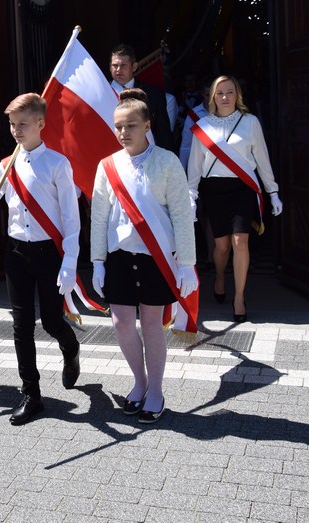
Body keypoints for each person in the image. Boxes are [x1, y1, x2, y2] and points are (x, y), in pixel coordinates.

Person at [0, 93, 81, 426]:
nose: (16, 130)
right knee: (21, 326)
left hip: (48, 253)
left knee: (50, 320)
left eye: (22, 124)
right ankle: (31, 393)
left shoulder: (58, 164)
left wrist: (71, 261)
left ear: (40, 124)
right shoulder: (6, 166)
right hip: (16, 252)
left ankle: (70, 345)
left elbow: (71, 217)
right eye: (12, 124)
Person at [90, 89, 197, 423]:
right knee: (122, 324)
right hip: (120, 256)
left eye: (131, 125)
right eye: (119, 127)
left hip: (156, 257)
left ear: (147, 125)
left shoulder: (166, 162)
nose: (124, 133)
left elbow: (180, 214)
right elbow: (99, 216)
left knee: (151, 324)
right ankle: (139, 382)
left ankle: (156, 391)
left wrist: (188, 263)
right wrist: (97, 261)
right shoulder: (107, 166)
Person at [187, 75, 283, 323]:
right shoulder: (203, 125)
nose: (225, 97)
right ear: (212, 97)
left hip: (243, 189)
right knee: (222, 246)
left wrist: (272, 191)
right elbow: (195, 164)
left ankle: (239, 297)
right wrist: (191, 194)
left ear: (237, 95)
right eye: (220, 93)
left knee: (241, 241)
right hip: (215, 190)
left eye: (230, 92)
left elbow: (262, 159)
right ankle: (220, 277)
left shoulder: (250, 122)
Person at [109, 44, 175, 151]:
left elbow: (163, 133)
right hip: (110, 156)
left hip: (146, 157)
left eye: (123, 65)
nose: (118, 70)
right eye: (115, 65)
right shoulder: (100, 93)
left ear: (134, 67)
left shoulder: (154, 94)